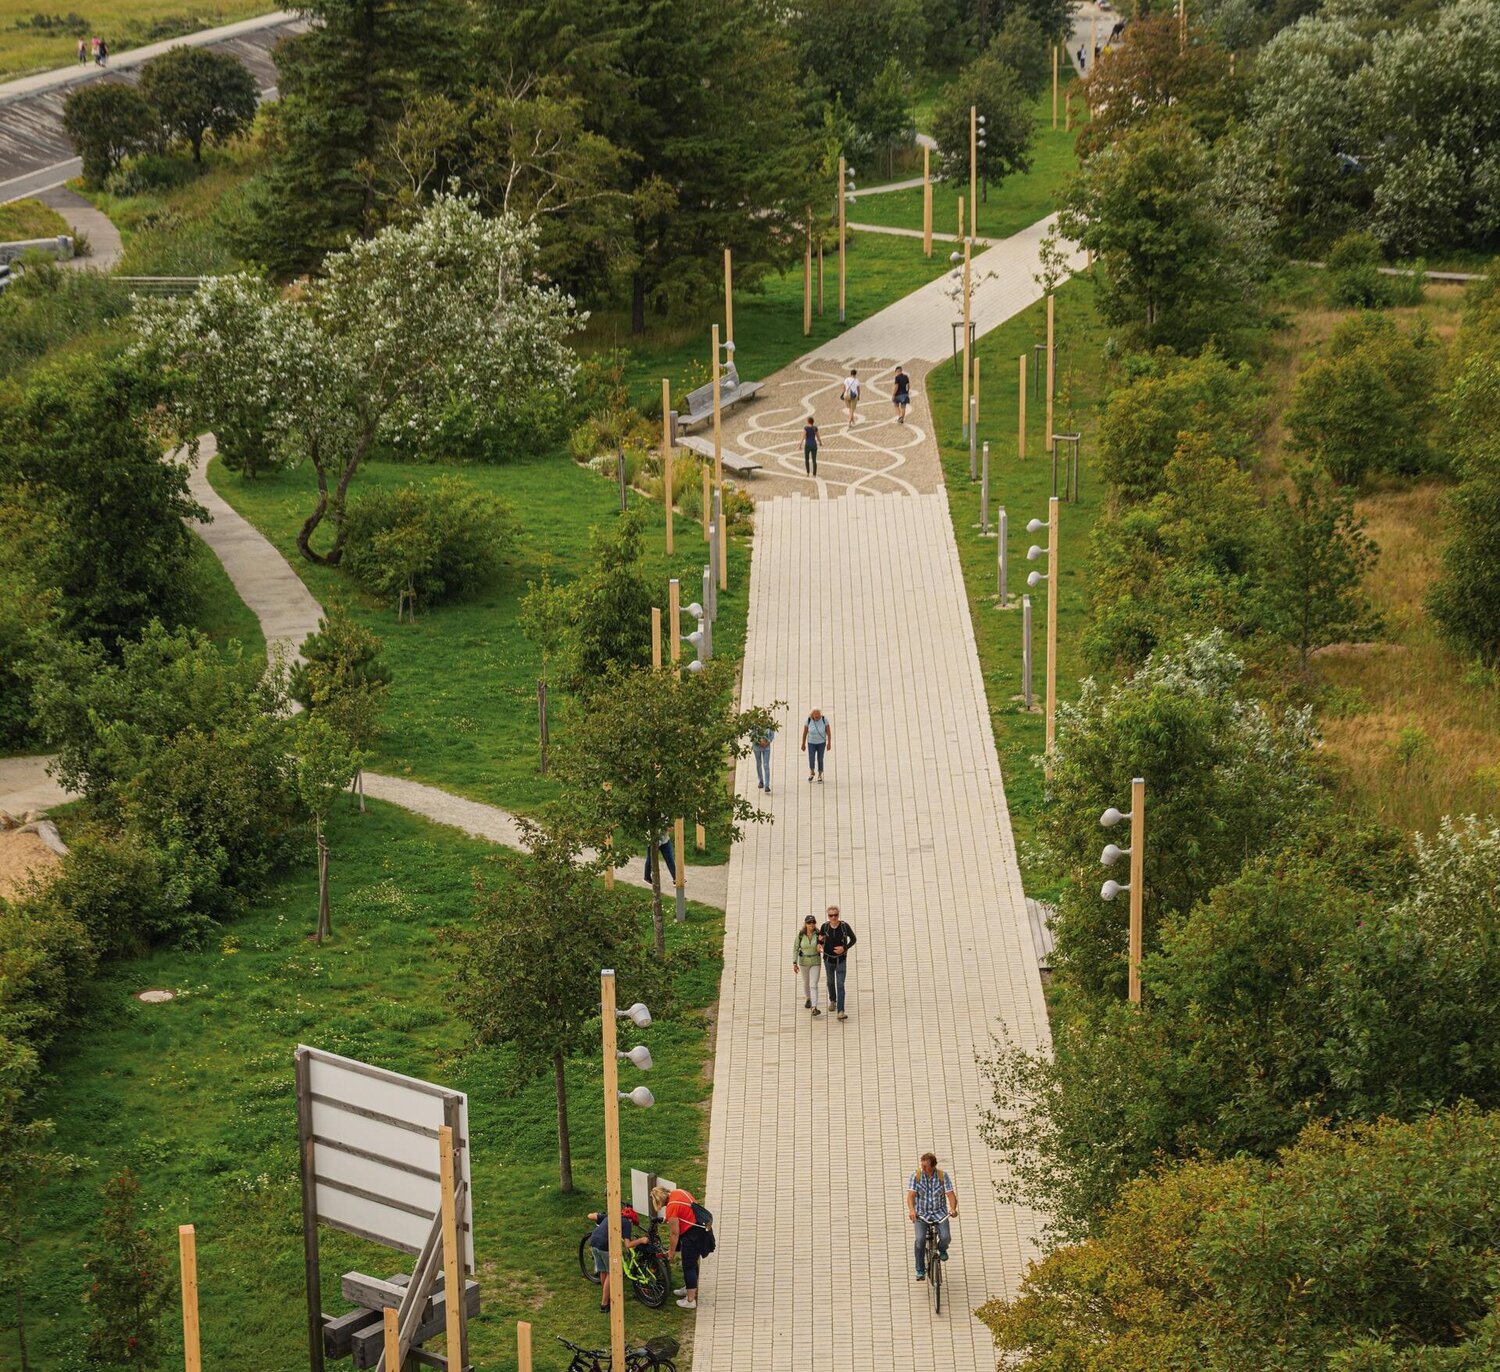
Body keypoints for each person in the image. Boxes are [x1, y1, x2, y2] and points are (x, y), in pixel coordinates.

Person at [651, 1184, 706, 1310]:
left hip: (692, 1236)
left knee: (688, 1266)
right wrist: (668, 1218)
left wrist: (671, 1251)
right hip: (700, 1229)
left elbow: (674, 1233)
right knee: (692, 1262)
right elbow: (683, 1210)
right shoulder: (679, 1192)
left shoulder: (672, 1206)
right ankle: (689, 1287)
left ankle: (690, 1300)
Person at [907, 1153, 958, 1281]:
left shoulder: (942, 1176)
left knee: (946, 1237)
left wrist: (953, 1209)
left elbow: (950, 1194)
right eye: (922, 1165)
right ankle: (920, 1270)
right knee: (920, 1240)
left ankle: (942, 1249)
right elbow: (911, 1195)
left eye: (925, 1166)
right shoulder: (916, 1176)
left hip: (939, 1213)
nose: (923, 1168)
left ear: (933, 1166)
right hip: (921, 1214)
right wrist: (912, 1210)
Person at [586, 1205, 647, 1312]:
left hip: (593, 1243)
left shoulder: (611, 1215)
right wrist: (641, 1240)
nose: (632, 1226)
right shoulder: (627, 1223)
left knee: (603, 1271)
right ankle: (604, 1304)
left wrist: (597, 1214)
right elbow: (628, 1245)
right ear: (631, 1220)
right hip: (605, 1247)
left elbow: (590, 1216)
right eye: (633, 1224)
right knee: (612, 1273)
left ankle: (606, 1295)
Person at [819, 905, 856, 1020]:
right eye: (831, 915)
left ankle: (841, 1011)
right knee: (830, 982)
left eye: (835, 915)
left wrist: (844, 948)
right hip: (828, 960)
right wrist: (819, 944)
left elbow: (853, 939)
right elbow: (820, 939)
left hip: (841, 960)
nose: (833, 917)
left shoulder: (844, 926)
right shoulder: (825, 927)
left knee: (840, 984)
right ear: (828, 916)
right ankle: (833, 1000)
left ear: (838, 915)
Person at [792, 914, 822, 1015]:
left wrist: (821, 946)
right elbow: (796, 948)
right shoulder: (801, 935)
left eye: (813, 922)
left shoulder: (818, 933)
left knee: (813, 984)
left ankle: (814, 1007)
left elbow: (823, 944)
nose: (811, 924)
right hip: (803, 962)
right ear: (805, 924)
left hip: (815, 961)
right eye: (809, 923)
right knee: (806, 982)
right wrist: (794, 962)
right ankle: (808, 998)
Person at [801, 708, 830, 783]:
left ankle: (820, 775)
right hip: (811, 743)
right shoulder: (808, 720)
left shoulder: (824, 720)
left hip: (821, 743)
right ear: (812, 715)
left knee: (820, 758)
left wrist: (829, 743)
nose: (817, 716)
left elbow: (828, 732)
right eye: (815, 714)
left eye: (818, 714)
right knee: (811, 758)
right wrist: (803, 744)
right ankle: (812, 772)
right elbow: (805, 733)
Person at [751, 723, 775, 792]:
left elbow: (772, 734)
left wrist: (768, 742)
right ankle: (761, 781)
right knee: (759, 764)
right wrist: (759, 742)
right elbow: (751, 734)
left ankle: (767, 785)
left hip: (766, 747)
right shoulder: (754, 723)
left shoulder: (769, 723)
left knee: (766, 765)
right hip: (756, 747)